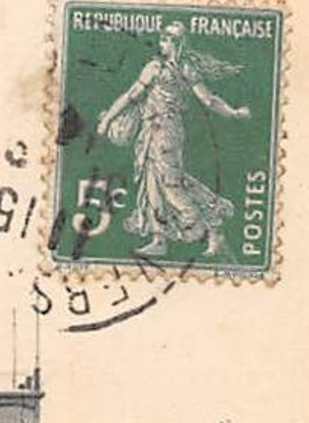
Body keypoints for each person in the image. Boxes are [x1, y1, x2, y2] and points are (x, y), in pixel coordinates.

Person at [95, 21, 251, 259]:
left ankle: (204, 226)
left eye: (166, 39)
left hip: (165, 131)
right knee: (153, 181)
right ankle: (160, 238)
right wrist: (233, 113)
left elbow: (132, 97)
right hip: (153, 130)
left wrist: (233, 113)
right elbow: (207, 100)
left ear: (175, 43)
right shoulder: (177, 68)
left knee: (171, 184)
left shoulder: (159, 68)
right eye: (162, 38)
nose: (162, 43)